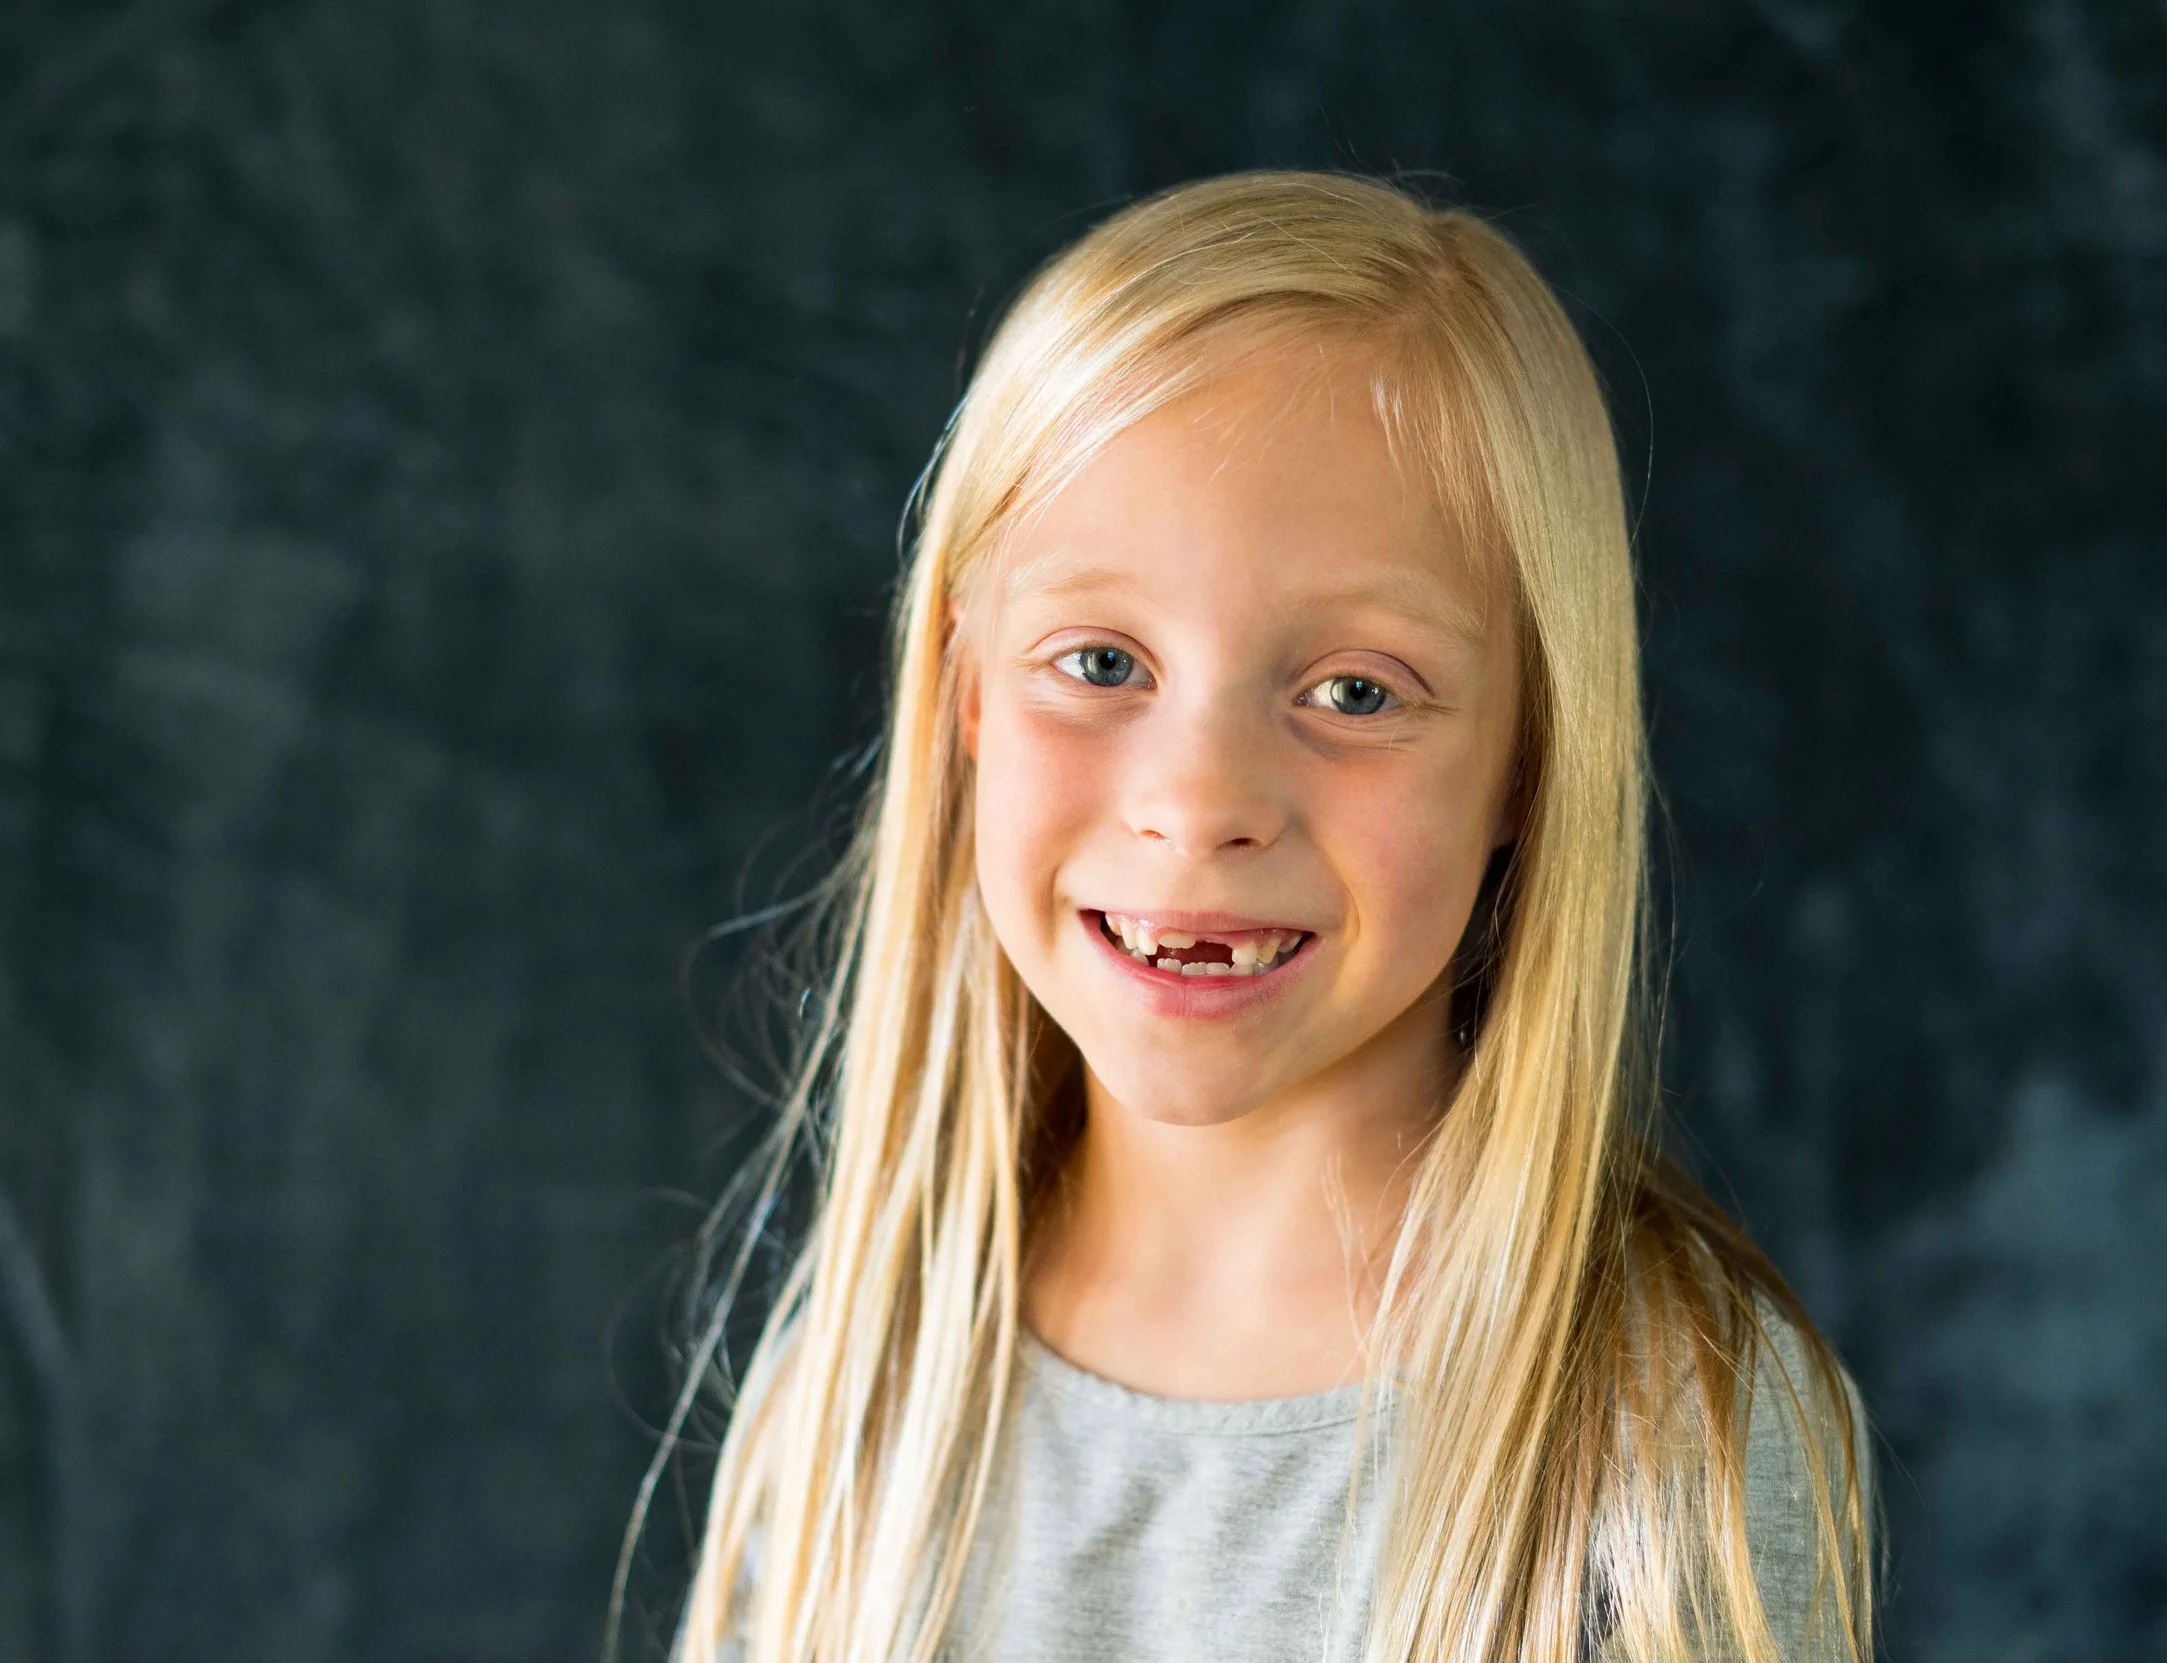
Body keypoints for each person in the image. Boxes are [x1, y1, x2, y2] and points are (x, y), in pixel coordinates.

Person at [648, 171, 1876, 1663]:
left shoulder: (1660, 1433)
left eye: (1355, 692)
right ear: (967, 694)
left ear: (1527, 765)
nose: (1199, 799)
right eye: (1099, 662)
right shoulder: (856, 1391)